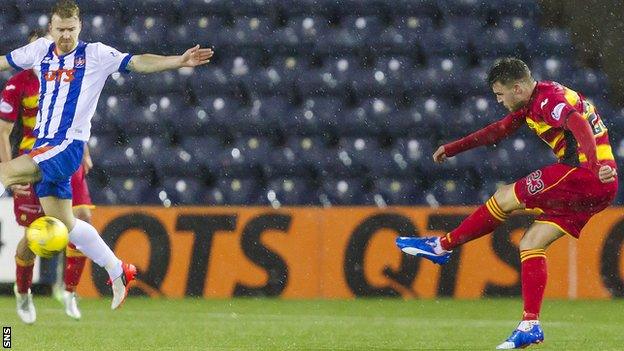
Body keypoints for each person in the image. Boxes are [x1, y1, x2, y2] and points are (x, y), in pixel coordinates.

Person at [0, 0, 213, 315]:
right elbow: (3, 61)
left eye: (71, 29)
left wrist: (176, 61)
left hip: (67, 146)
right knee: (66, 223)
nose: (66, 36)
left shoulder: (95, 54)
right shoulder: (40, 50)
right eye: (60, 30)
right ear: (50, 28)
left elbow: (138, 62)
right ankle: (118, 270)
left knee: (5, 174)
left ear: (80, 27)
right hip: (43, 147)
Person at [396, 57, 618, 349]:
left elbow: (577, 123)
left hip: (583, 174)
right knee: (531, 243)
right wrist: (453, 149)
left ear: (517, 88)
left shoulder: (546, 101)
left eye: (500, 94)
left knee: (504, 197)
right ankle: (530, 325)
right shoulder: (532, 102)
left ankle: (442, 246)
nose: (499, 101)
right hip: (600, 186)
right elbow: (496, 132)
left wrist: (593, 163)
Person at [0, 28, 96, 323]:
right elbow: (3, 132)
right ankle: (23, 291)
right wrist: (8, 175)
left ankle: (69, 291)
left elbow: (77, 121)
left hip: (66, 158)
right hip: (33, 163)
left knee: (83, 218)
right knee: (34, 236)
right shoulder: (17, 85)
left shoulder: (66, 79)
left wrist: (86, 152)